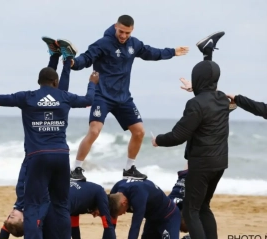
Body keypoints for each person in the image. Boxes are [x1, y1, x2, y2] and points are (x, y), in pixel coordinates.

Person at [0, 39, 98, 239]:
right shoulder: (63, 96)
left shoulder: (26, 97)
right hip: (61, 156)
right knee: (61, 206)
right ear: (55, 83)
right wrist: (92, 83)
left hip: (38, 157)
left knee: (33, 207)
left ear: (39, 82)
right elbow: (88, 100)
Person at [64, 14, 189, 181]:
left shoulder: (134, 44)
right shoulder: (103, 43)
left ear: (132, 31)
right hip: (102, 95)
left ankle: (129, 168)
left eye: (127, 33)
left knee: (139, 132)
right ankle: (76, 169)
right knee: (94, 131)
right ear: (116, 26)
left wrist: (172, 52)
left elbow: (151, 52)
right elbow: (86, 59)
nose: (123, 36)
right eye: (121, 31)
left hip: (123, 97)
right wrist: (73, 63)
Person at [151, 31, 229, 239]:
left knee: (190, 210)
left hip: (201, 165)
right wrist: (207, 57)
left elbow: (179, 135)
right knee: (204, 207)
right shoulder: (222, 99)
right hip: (220, 164)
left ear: (197, 80)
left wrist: (159, 140)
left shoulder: (195, 105)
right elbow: (208, 85)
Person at [0, 181, 118, 239]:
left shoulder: (79, 203)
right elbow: (108, 225)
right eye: (98, 213)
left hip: (48, 204)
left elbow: (75, 230)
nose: (94, 215)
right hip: (55, 210)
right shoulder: (100, 192)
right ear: (104, 206)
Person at [105, 178, 196, 239]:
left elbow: (135, 227)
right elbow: (110, 224)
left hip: (168, 217)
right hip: (152, 219)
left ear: (123, 203)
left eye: (122, 212)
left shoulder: (138, 195)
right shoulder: (115, 191)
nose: (124, 213)